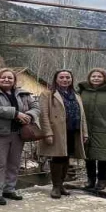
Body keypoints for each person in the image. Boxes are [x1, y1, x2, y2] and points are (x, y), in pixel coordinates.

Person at [0, 68, 40, 206]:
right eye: (3, 77)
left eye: (10, 78)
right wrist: (16, 113)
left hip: (19, 133)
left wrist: (29, 115)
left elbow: (36, 107)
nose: (6, 80)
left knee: (14, 164)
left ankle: (9, 189)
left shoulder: (23, 93)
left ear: (14, 80)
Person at [37, 69, 87, 198]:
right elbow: (43, 116)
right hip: (57, 132)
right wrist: (47, 133)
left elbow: (82, 116)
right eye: (62, 77)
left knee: (67, 157)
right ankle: (55, 186)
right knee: (57, 157)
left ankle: (61, 185)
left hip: (73, 131)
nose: (65, 80)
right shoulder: (47, 94)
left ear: (71, 80)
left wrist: (84, 133)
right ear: (56, 79)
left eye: (68, 77)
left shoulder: (76, 95)